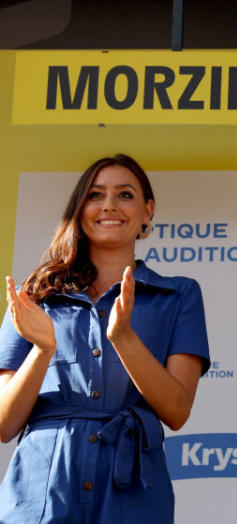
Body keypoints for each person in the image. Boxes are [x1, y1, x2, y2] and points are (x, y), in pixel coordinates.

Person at [0, 154, 210, 523]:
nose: (109, 205)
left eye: (125, 195)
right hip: (42, 490)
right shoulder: (34, 295)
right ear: (79, 210)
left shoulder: (179, 295)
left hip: (133, 491)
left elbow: (177, 411)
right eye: (96, 195)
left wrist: (124, 338)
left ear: (147, 211)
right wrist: (43, 350)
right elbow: (4, 424)